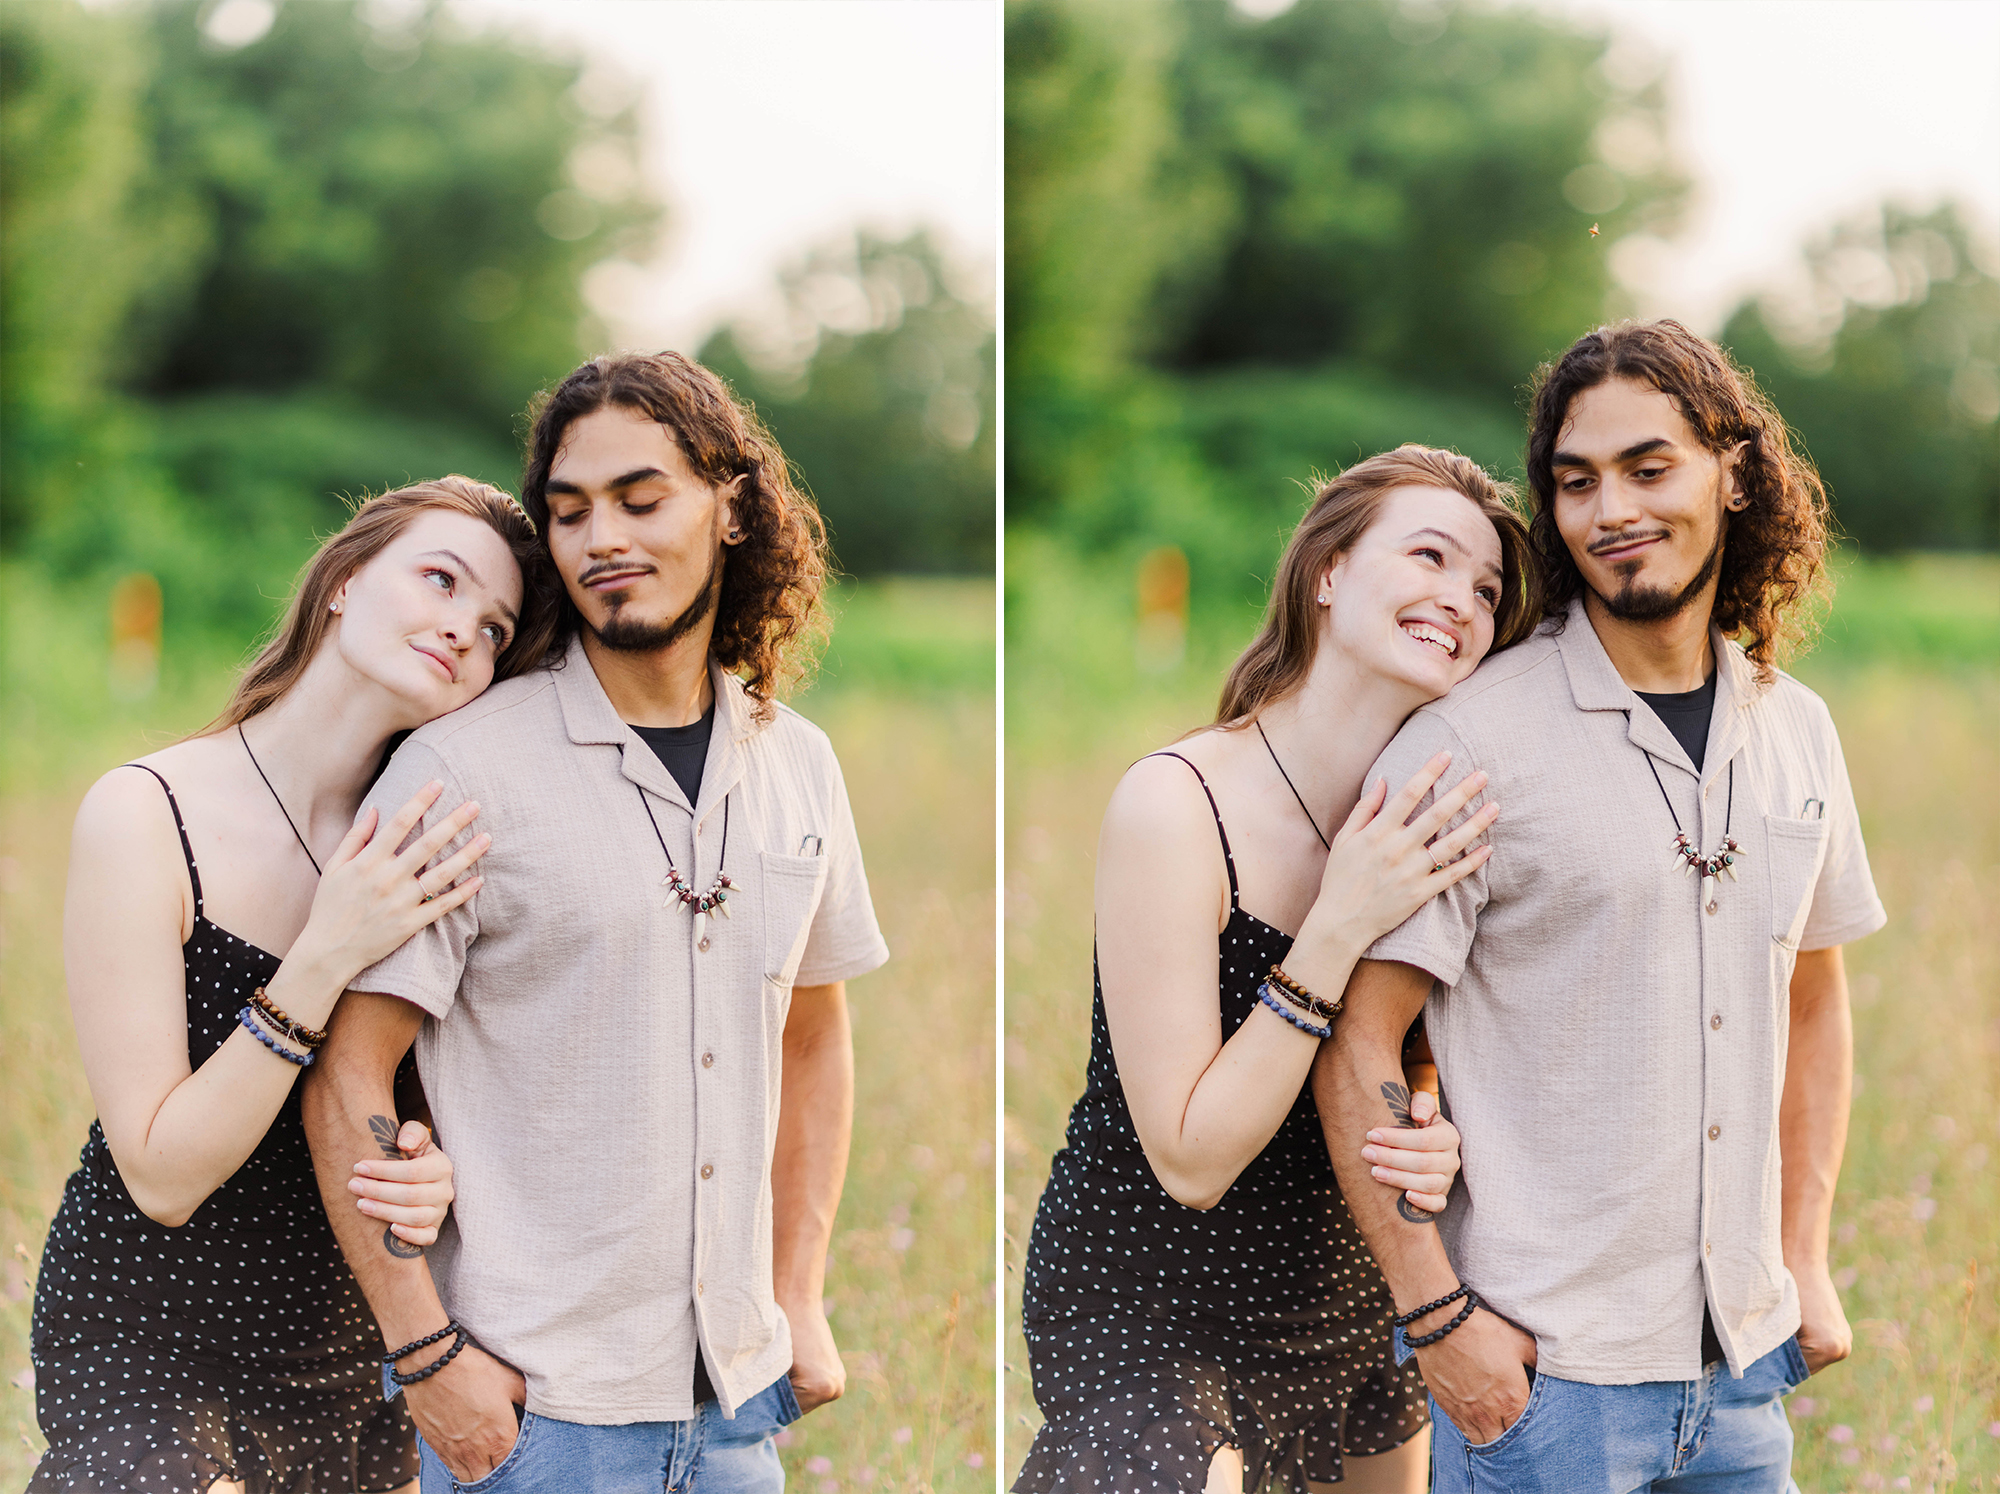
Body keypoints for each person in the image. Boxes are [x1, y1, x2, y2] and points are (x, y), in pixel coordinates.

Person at [299, 350, 890, 1494]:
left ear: (729, 505)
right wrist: (428, 1359)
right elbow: (346, 1068)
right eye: (567, 513)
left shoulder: (800, 766)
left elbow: (812, 1036)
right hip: (535, 1416)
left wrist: (799, 1293)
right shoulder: (459, 770)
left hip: (735, 1411)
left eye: (640, 497)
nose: (599, 537)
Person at [1311, 321, 1886, 1493]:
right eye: (1575, 483)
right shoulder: (1467, 742)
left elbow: (1812, 1005)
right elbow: (1355, 1034)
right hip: (1542, 1388)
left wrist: (1802, 1259)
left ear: (1731, 474)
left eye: (1646, 467)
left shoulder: (1798, 730)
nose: (1608, 508)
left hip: (1740, 1379)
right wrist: (1439, 1326)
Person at [1015, 445, 1545, 1494]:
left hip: (1345, 1297)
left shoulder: (1434, 813)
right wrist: (1335, 925)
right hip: (1150, 1303)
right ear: (1327, 573)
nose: (1460, 601)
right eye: (1428, 557)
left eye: (1484, 591)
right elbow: (1189, 1157)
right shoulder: (1177, 805)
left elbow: (1417, 1046)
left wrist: (1430, 1123)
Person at [30, 476, 557, 1494]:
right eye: (439, 579)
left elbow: (423, 1101)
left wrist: (429, 1172)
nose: (462, 630)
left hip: (346, 1356)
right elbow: (161, 1173)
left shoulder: (429, 847)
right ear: (346, 583)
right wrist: (324, 952)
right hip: (154, 1343)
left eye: (494, 628)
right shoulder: (147, 813)